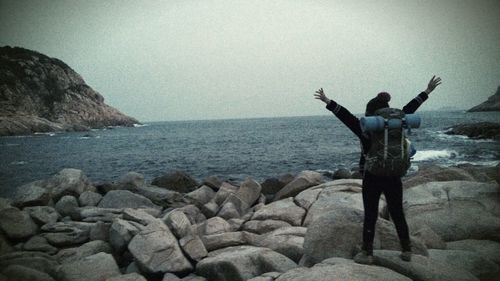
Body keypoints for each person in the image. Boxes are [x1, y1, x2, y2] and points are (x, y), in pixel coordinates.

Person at [314, 76, 442, 264]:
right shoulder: (396, 124)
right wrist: (427, 91)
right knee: (397, 211)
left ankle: (367, 252)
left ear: (370, 115)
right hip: (393, 174)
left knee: (371, 213)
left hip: (372, 175)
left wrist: (328, 101)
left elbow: (346, 116)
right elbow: (411, 107)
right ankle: (406, 250)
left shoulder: (365, 128)